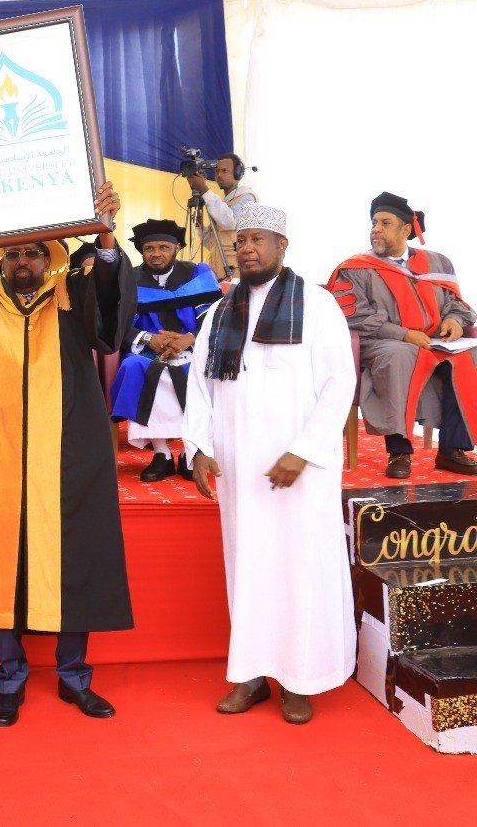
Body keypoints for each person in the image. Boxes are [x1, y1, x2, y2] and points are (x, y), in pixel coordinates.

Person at [0, 166, 135, 726]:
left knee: (73, 557)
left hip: (69, 455)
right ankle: (9, 679)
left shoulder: (73, 292)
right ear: (1, 259)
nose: (21, 263)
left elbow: (109, 318)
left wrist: (106, 233)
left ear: (48, 257)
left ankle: (74, 677)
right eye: (12, 254)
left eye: (32, 254)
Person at [185, 204, 356, 724]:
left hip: (300, 470)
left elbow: (339, 384)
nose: (247, 249)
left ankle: (300, 680)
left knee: (301, 569)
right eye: (241, 241)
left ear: (283, 246)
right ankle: (252, 674)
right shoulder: (221, 312)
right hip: (240, 466)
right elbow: (200, 386)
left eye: (258, 239)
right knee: (248, 568)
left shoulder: (317, 305)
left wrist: (304, 450)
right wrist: (199, 447)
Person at [328, 192, 477, 479]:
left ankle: (452, 450)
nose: (376, 229)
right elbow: (353, 315)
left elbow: (456, 303)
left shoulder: (438, 263)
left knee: (470, 355)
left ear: (406, 229)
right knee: (399, 355)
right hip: (382, 342)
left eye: (385, 223)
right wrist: (403, 334)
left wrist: (455, 320)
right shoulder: (356, 268)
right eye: (374, 223)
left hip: (434, 342)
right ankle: (399, 451)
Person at [110, 219, 223, 481]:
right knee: (133, 367)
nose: (156, 253)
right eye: (149, 248)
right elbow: (118, 324)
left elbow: (214, 318)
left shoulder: (196, 275)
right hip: (147, 348)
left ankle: (187, 452)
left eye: (163, 247)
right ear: (142, 251)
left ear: (176, 248)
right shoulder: (130, 280)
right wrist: (149, 338)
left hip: (192, 346)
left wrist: (189, 339)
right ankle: (162, 454)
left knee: (197, 371)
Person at [186, 153, 258, 280]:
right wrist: (199, 226)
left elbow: (230, 221)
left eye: (224, 171)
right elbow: (213, 245)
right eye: (217, 171)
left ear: (238, 173)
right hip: (219, 273)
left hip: (237, 274)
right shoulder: (221, 205)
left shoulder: (248, 197)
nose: (219, 175)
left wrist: (204, 190)